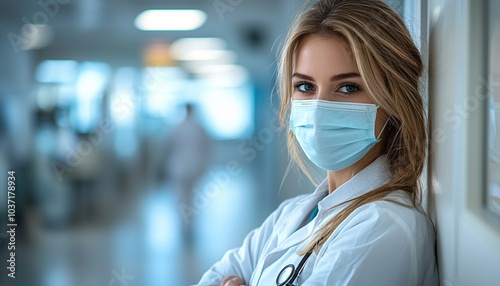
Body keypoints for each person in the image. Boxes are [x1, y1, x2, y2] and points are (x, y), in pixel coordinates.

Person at [198, 0, 439, 285]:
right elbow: (214, 277)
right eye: (305, 86)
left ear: (393, 100)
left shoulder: (386, 227)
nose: (319, 106)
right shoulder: (292, 214)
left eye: (348, 87)